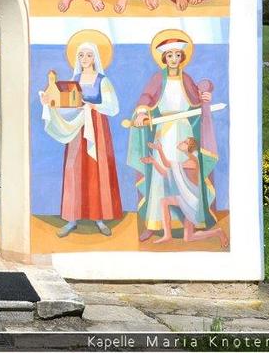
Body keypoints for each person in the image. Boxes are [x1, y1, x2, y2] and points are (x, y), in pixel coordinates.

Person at [126, 34, 219, 242]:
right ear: (164, 58)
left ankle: (188, 223)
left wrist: (205, 98)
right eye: (170, 55)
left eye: (177, 54)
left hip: (184, 133)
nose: (174, 59)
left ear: (182, 57)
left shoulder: (187, 79)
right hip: (165, 132)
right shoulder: (157, 79)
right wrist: (141, 112)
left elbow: (197, 101)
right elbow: (146, 98)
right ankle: (154, 224)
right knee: (161, 175)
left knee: (185, 177)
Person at [40, 42, 122, 237]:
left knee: (97, 170)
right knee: (74, 168)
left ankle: (99, 218)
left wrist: (93, 107)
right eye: (81, 55)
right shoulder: (74, 80)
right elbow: (66, 103)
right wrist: (49, 102)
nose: (84, 59)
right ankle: (72, 218)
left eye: (88, 55)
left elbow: (113, 107)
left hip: (97, 128)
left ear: (95, 58)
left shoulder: (102, 81)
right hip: (78, 127)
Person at [140, 138, 228, 247]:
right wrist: (153, 162)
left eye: (185, 142)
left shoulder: (192, 161)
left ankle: (217, 232)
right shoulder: (186, 162)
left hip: (191, 201)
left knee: (187, 236)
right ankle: (168, 235)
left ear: (189, 148)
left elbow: (167, 164)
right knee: (187, 236)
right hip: (186, 199)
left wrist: (160, 149)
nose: (181, 142)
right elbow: (165, 173)